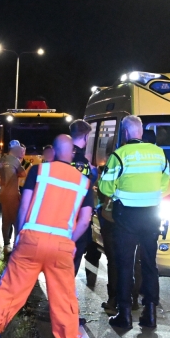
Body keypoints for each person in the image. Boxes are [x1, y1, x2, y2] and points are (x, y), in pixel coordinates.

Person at [0, 135, 95, 338]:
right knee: (64, 301)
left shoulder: (39, 171)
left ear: (54, 151)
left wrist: (20, 236)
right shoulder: (83, 182)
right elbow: (85, 220)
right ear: (72, 153)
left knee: (9, 293)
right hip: (60, 247)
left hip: (31, 241)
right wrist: (69, 240)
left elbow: (24, 207)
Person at [98, 115, 169, 329]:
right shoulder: (158, 153)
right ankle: (150, 313)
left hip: (127, 216)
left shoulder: (120, 155)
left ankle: (125, 314)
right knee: (149, 264)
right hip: (151, 215)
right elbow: (164, 182)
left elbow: (105, 187)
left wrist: (119, 192)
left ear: (126, 133)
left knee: (125, 264)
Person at [69, 120, 100, 286]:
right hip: (78, 213)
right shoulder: (82, 161)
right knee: (78, 250)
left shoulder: (62, 155)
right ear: (86, 136)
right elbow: (84, 186)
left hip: (58, 214)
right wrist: (94, 175)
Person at [0, 140, 27, 254]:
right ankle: (16, 245)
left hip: (3, 194)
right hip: (12, 194)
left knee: (6, 220)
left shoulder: (3, 159)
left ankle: (6, 245)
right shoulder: (14, 160)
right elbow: (23, 173)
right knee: (16, 220)